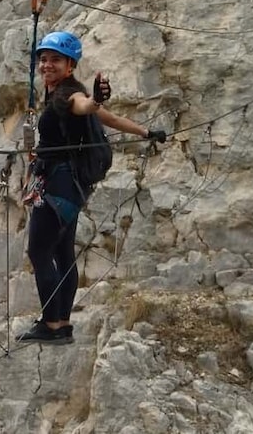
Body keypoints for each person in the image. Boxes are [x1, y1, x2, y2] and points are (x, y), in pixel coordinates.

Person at [17, 31, 166, 344]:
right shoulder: (63, 92)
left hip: (57, 186)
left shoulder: (68, 96)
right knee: (62, 252)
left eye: (55, 60)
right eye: (43, 60)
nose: (46, 65)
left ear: (70, 64)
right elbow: (105, 117)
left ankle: (51, 325)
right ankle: (63, 323)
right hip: (71, 188)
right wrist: (145, 131)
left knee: (39, 251)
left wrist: (96, 99)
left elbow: (88, 107)